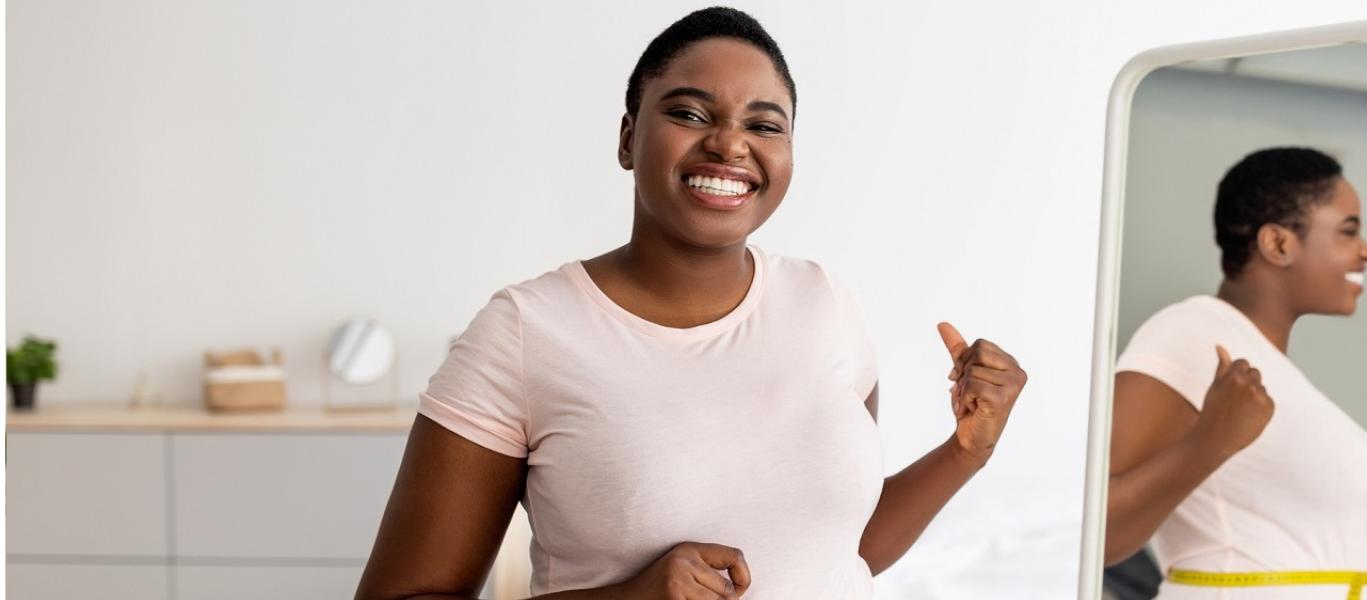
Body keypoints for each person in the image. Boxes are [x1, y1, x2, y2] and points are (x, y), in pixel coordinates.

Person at [355, 7, 1027, 599]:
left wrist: (965, 452)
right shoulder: (526, 332)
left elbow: (837, 552)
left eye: (765, 125)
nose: (730, 143)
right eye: (689, 113)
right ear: (627, 138)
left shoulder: (824, 303)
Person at [1104, 147, 1367, 599]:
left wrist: (1353, 530)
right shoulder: (1189, 334)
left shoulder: (1265, 362)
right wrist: (1209, 441)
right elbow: (1096, 532)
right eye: (1348, 232)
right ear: (1278, 244)